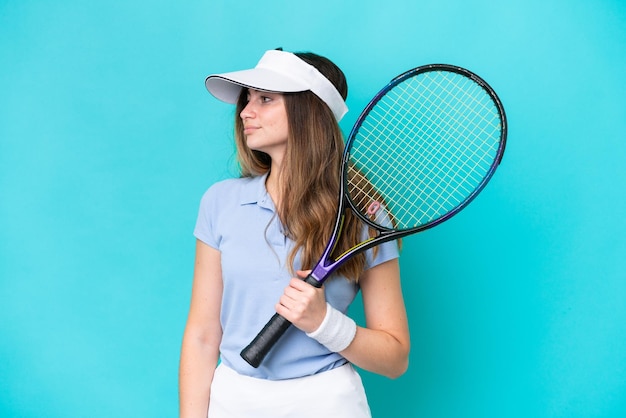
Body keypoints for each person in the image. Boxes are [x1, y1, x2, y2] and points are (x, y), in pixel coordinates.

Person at [179, 49, 410, 418]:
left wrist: (325, 323)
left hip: (327, 403)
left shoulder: (364, 214)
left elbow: (395, 357)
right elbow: (203, 335)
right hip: (233, 401)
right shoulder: (220, 203)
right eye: (247, 100)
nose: (245, 113)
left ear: (309, 112)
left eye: (265, 99)